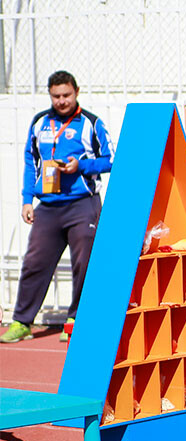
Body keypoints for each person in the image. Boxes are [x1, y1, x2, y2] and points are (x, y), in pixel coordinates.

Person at [1, 70, 113, 344]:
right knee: (34, 262)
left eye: (66, 95)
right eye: (56, 96)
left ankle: (76, 320)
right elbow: (31, 162)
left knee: (84, 263)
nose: (62, 101)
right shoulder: (40, 122)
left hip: (82, 203)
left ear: (76, 92)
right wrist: (27, 199)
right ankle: (22, 322)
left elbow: (111, 159)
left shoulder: (91, 123)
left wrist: (81, 166)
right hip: (48, 206)